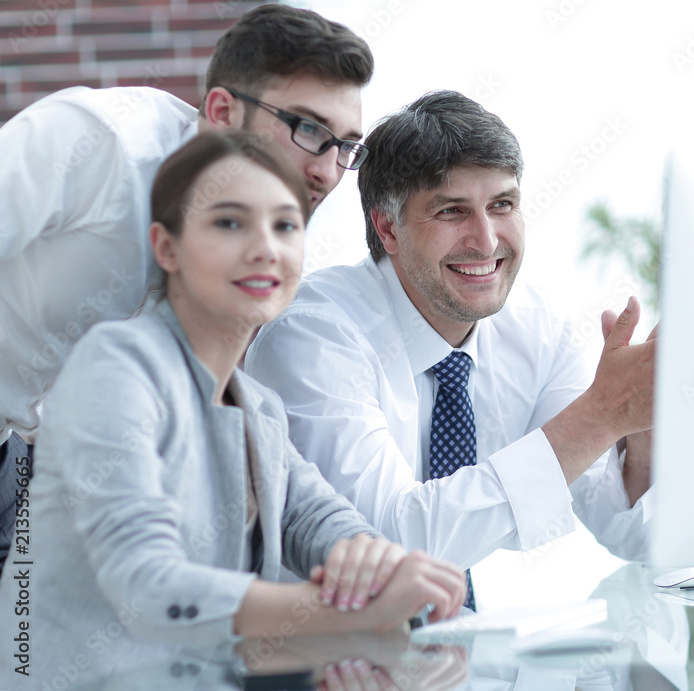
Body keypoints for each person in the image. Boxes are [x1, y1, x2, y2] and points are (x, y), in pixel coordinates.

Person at [0, 132, 466, 687]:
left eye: (285, 225)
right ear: (166, 247)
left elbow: (314, 517)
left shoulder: (257, 406)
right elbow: (148, 586)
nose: (265, 247)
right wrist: (360, 616)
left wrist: (378, 566)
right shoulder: (116, 365)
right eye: (229, 223)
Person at [0, 3, 373, 576]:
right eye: (308, 129)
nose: (326, 172)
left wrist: (361, 553)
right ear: (222, 111)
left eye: (345, 146)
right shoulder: (96, 141)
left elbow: (245, 423)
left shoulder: (254, 251)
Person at [245, 91, 656, 608]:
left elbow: (630, 531)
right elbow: (388, 548)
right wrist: (602, 415)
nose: (485, 241)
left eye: (502, 205)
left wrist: (637, 426)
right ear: (387, 227)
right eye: (452, 211)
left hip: (454, 661)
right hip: (319, 663)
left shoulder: (535, 326)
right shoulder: (312, 337)